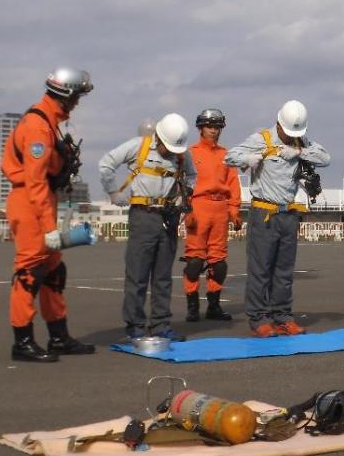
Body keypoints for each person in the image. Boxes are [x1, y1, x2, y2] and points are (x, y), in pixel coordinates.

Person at [1, 67, 96, 362]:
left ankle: (58, 336)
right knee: (31, 271)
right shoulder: (38, 126)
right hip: (29, 201)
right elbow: (35, 180)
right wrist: (48, 225)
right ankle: (23, 341)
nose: (78, 102)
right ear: (66, 95)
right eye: (77, 96)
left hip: (41, 200)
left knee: (54, 270)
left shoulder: (50, 121)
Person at [224, 100, 330, 337]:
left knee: (284, 270)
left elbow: (325, 158)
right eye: (288, 132)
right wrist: (248, 160)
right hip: (264, 213)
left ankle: (282, 316)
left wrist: (300, 152)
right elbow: (230, 156)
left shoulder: (301, 142)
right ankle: (259, 318)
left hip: (289, 214)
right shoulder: (261, 139)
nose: (291, 137)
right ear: (279, 124)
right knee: (260, 269)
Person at [99, 113, 196, 341]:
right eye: (167, 147)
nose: (170, 152)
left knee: (162, 276)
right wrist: (113, 191)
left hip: (169, 216)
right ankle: (135, 327)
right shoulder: (139, 146)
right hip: (143, 216)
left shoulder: (182, 153)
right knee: (138, 275)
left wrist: (185, 196)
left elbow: (192, 176)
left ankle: (161, 325)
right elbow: (106, 163)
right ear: (159, 138)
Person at [182, 109, 242, 322]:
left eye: (217, 127)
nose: (213, 131)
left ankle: (214, 306)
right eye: (209, 126)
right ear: (200, 128)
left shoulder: (227, 155)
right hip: (198, 205)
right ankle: (192, 305)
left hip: (220, 207)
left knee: (219, 263)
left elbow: (234, 183)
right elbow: (182, 184)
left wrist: (234, 210)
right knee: (195, 261)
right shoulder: (189, 153)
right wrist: (186, 209)